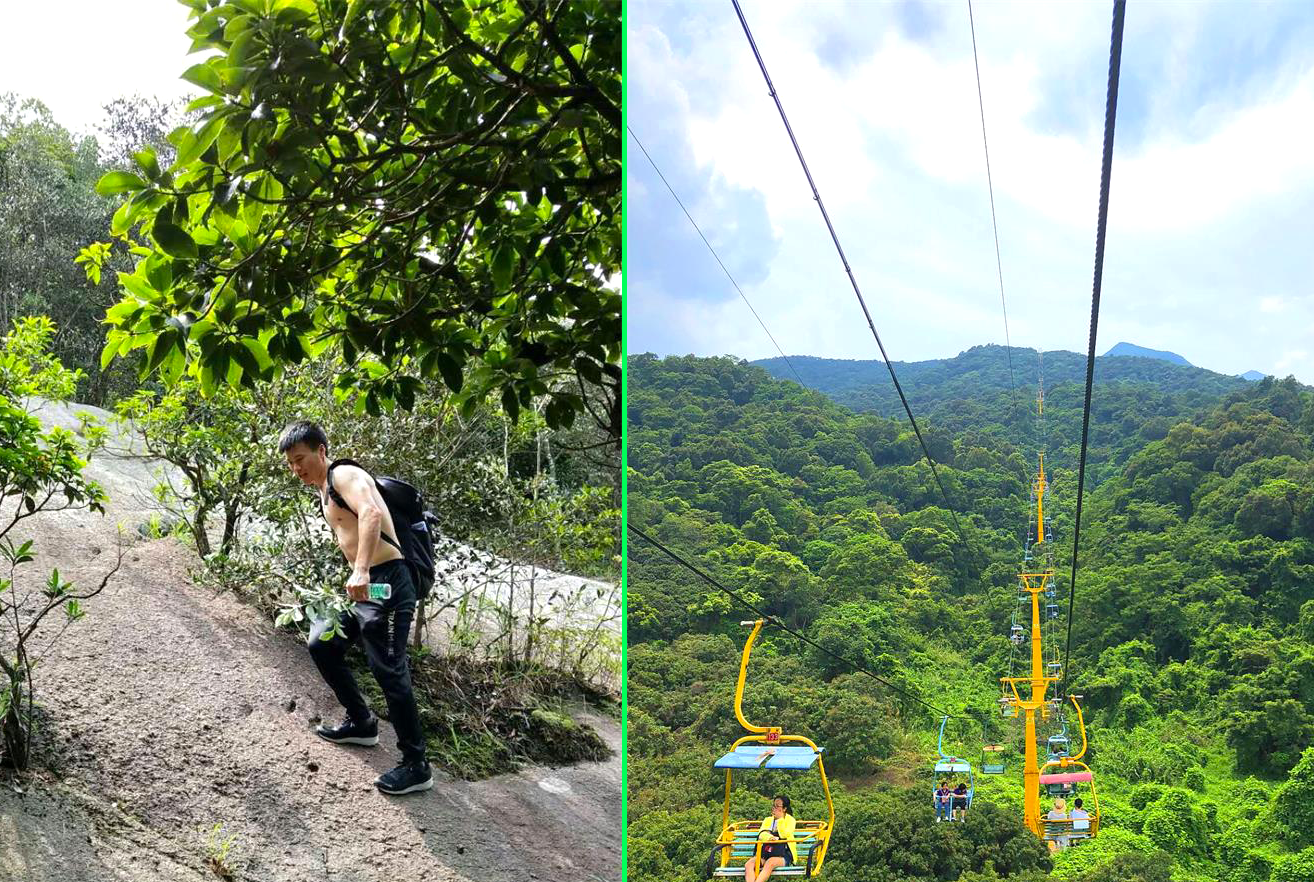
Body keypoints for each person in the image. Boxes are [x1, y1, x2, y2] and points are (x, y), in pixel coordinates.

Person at [279, 420, 433, 795]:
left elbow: (371, 514)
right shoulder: (324, 491)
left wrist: (361, 569)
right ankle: (362, 723)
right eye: (290, 464)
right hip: (369, 588)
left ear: (321, 450)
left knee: (388, 668)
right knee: (322, 643)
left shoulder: (344, 474)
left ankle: (417, 764)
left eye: (300, 458)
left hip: (391, 582)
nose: (296, 468)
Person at [747, 795, 796, 882]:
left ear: (784, 809)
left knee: (770, 863)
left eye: (778, 806)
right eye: (774, 806)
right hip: (766, 852)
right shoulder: (768, 820)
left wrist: (780, 819)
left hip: (783, 854)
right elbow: (761, 834)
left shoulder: (790, 820)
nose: (774, 808)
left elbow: (784, 835)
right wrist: (770, 837)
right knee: (749, 864)